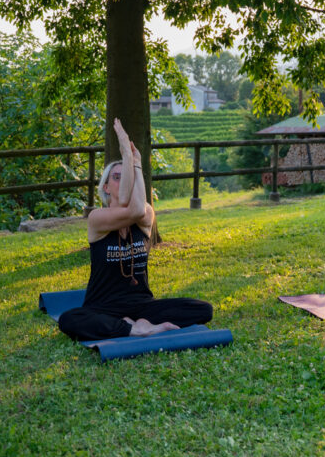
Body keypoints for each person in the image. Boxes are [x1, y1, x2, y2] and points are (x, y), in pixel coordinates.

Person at [57, 118, 213, 340]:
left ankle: (136, 324)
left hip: (143, 306)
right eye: (117, 177)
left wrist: (136, 162)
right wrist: (127, 156)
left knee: (203, 309)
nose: (123, 181)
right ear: (106, 187)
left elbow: (137, 209)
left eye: (127, 176)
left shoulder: (146, 214)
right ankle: (134, 328)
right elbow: (128, 207)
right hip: (103, 307)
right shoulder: (97, 218)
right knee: (69, 319)